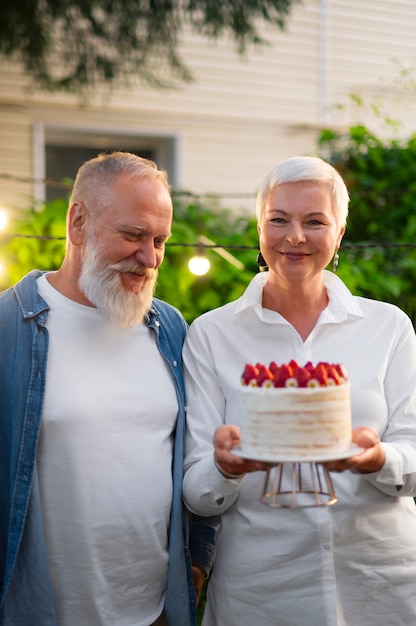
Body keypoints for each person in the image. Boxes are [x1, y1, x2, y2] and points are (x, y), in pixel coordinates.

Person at [182, 155, 416, 625]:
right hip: (262, 590)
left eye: (315, 221)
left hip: (381, 582)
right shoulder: (212, 334)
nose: (295, 236)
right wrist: (224, 467)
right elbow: (195, 491)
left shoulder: (388, 326)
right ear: (259, 227)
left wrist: (377, 459)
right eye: (279, 219)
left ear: (340, 233)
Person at [0, 151, 217, 626]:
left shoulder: (172, 328)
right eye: (134, 235)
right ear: (78, 223)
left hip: (155, 613)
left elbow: (199, 453)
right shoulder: (7, 329)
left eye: (161, 240)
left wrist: (197, 562)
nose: (151, 258)